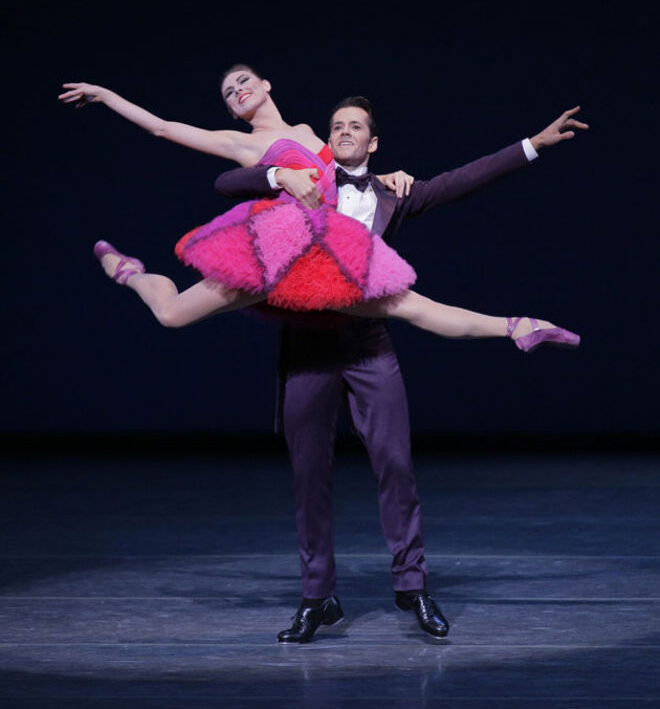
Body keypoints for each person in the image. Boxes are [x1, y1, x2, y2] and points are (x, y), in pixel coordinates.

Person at [213, 93, 588, 643]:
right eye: (337, 125)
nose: (343, 132)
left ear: (374, 142)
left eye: (354, 126)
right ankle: (318, 597)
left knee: (395, 463)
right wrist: (277, 177)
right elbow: (227, 185)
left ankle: (412, 586)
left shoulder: (394, 194)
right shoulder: (302, 178)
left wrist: (532, 146)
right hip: (309, 347)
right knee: (309, 476)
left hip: (368, 342)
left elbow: (464, 180)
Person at [58, 66, 577, 352]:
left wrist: (388, 174)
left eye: (243, 82)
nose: (236, 92)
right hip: (276, 249)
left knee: (414, 307)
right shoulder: (245, 145)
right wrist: (107, 95)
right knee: (171, 316)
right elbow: (163, 129)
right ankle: (130, 273)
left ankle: (517, 326)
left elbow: (353, 175)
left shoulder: (314, 134)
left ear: (266, 85)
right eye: (227, 93)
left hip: (329, 254)